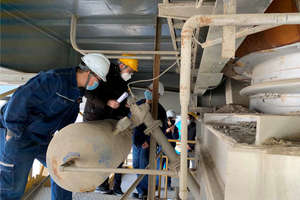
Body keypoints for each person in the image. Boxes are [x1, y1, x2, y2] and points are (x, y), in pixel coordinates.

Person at [0, 53, 110, 200]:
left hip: (42, 137)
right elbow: (20, 98)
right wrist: (13, 133)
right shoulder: (54, 79)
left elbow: (66, 119)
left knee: (64, 171)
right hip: (19, 134)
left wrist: (66, 143)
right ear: (89, 72)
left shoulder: (78, 92)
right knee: (13, 188)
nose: (98, 83)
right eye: (98, 79)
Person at [83, 54, 138, 195]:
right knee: (99, 151)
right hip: (95, 118)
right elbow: (89, 94)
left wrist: (125, 107)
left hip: (111, 120)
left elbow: (119, 102)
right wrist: (107, 102)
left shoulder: (123, 83)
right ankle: (100, 184)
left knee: (116, 150)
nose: (130, 75)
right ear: (121, 66)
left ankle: (114, 186)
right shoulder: (103, 72)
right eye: (130, 71)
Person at [131, 82, 167, 199]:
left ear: (158, 95)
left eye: (152, 91)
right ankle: (141, 190)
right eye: (148, 89)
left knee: (145, 168)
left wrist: (149, 141)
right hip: (136, 142)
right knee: (136, 166)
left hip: (147, 144)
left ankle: (146, 192)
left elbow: (162, 129)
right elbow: (133, 119)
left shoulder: (160, 110)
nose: (148, 92)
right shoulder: (140, 103)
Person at [156, 109, 179, 190]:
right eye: (173, 119)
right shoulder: (162, 125)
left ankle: (168, 185)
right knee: (159, 167)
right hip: (162, 149)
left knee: (169, 168)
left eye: (174, 119)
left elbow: (176, 137)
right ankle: (156, 185)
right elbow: (159, 135)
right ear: (168, 118)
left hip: (171, 150)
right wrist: (166, 131)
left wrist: (172, 131)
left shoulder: (175, 128)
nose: (174, 120)